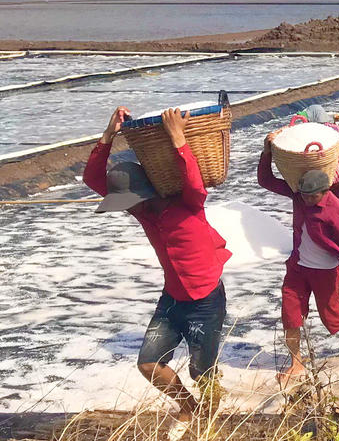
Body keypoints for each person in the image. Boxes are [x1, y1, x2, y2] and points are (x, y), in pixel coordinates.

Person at [84, 107, 231, 441]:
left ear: (146, 192)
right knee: (149, 364)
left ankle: (210, 416)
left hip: (206, 299)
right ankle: (187, 407)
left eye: (130, 201)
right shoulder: (143, 213)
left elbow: (196, 184)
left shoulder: (185, 203)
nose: (128, 208)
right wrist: (109, 134)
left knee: (202, 371)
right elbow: (93, 180)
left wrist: (178, 138)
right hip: (172, 299)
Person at [257, 139, 339, 385]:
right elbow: (266, 181)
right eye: (302, 195)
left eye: (310, 197)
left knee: (332, 318)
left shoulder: (335, 211)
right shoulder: (300, 196)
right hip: (297, 266)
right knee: (290, 314)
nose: (304, 200)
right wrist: (266, 153)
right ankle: (296, 364)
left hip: (325, 271)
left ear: (323, 192)